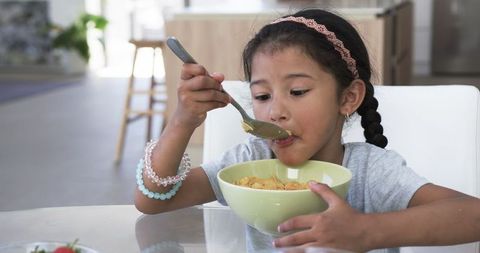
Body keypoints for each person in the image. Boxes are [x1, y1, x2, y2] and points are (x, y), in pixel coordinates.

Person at [134, 9, 480, 253]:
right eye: (261, 96)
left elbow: (472, 216)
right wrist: (182, 122)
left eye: (297, 92)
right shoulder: (251, 164)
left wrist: (366, 231)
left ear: (348, 98)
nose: (276, 111)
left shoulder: (369, 172)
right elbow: (152, 201)